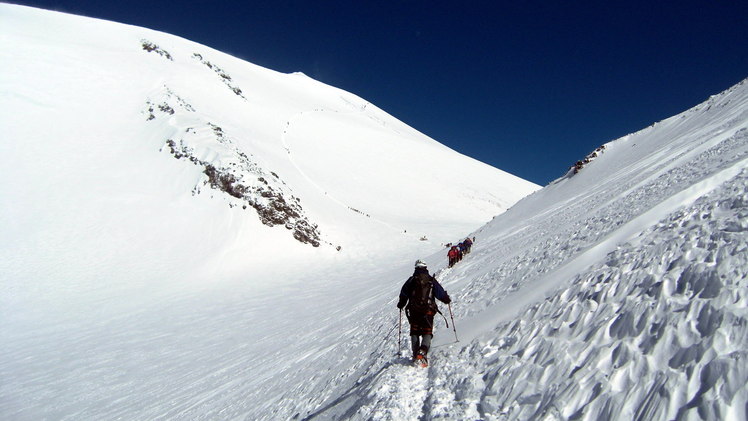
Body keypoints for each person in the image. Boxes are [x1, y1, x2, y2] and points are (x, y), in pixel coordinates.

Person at [397, 260, 451, 366]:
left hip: (414, 311)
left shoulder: (411, 280)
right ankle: (423, 351)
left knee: (415, 332)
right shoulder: (431, 280)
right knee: (427, 332)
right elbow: (440, 293)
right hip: (428, 310)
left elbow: (404, 294)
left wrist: (401, 304)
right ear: (425, 268)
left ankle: (415, 353)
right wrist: (446, 299)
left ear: (416, 268)